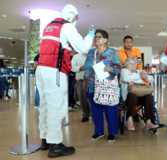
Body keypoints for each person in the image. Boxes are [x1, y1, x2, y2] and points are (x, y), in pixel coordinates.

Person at [36, 4, 94, 158]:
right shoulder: (67, 26)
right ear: (73, 17)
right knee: (56, 107)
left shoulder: (49, 26)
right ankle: (55, 145)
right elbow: (83, 48)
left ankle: (45, 139)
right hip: (54, 71)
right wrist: (90, 36)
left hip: (41, 70)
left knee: (45, 106)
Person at [84, 29, 121, 142]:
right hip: (92, 84)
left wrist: (109, 68)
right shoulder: (91, 52)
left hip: (107, 85)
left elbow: (118, 68)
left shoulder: (112, 52)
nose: (96, 39)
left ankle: (112, 132)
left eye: (99, 37)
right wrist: (87, 77)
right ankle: (98, 131)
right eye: (95, 37)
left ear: (105, 40)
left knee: (110, 109)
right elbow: (87, 66)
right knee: (96, 110)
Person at [120, 58, 158, 131]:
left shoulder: (138, 71)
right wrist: (141, 77)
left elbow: (151, 78)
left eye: (135, 63)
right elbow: (126, 78)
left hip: (141, 96)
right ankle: (129, 118)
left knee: (149, 96)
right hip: (128, 98)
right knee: (132, 95)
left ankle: (148, 121)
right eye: (131, 63)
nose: (134, 65)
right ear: (127, 64)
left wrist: (144, 77)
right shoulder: (123, 71)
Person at [71, 52, 90, 122]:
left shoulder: (93, 54)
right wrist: (81, 68)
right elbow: (72, 68)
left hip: (92, 80)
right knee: (82, 98)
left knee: (92, 99)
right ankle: (85, 114)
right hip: (80, 80)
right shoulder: (76, 56)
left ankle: (94, 115)